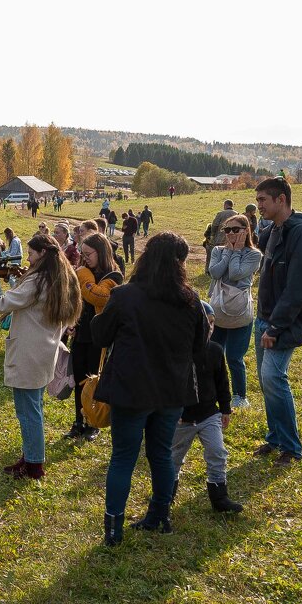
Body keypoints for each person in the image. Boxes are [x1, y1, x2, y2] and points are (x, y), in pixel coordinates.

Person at [93, 232, 208, 546]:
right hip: (171, 389)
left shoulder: (126, 295)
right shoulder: (191, 299)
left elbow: (102, 335)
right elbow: (201, 345)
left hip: (133, 389)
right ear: (180, 263)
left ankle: (113, 529)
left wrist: (96, 320)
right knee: (160, 454)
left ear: (146, 258)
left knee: (123, 457)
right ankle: (160, 516)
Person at [0, 234, 82, 478]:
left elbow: (1, 303)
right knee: (34, 408)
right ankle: (31, 456)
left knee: (28, 412)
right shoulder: (59, 277)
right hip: (43, 351)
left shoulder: (38, 281)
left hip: (31, 352)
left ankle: (35, 465)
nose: (27, 258)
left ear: (42, 254)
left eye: (30, 253)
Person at [254, 177, 302, 466]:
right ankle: (274, 438)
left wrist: (276, 326)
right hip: (263, 317)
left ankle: (291, 447)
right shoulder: (275, 229)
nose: (259, 205)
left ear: (281, 200)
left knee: (274, 378)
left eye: (263, 199)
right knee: (266, 382)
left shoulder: (301, 233)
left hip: (282, 322)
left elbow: (301, 285)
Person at [171, 301, 242, 513]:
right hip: (182, 418)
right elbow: (169, 386)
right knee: (173, 458)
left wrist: (226, 408)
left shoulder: (215, 350)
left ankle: (219, 498)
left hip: (209, 414)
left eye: (212, 324)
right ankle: (166, 495)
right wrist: (173, 412)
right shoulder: (177, 353)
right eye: (205, 323)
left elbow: (222, 381)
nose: (209, 328)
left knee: (217, 452)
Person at [67, 233, 123, 442]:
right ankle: (78, 421)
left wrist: (81, 275)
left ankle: (94, 422)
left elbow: (97, 295)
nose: (85, 257)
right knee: (80, 379)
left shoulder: (114, 275)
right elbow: (76, 299)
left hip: (100, 337)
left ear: (101, 252)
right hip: (81, 333)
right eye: (83, 253)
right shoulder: (85, 272)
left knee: (95, 380)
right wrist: (70, 322)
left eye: (88, 253)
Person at [207, 214, 261, 408]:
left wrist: (237, 251)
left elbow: (237, 273)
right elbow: (215, 272)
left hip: (239, 313)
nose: (230, 233)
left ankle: (240, 395)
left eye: (235, 230)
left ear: (246, 230)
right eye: (227, 230)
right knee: (213, 353)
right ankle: (210, 391)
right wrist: (229, 252)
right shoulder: (217, 250)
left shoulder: (254, 255)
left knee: (234, 357)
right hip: (218, 310)